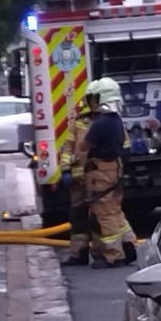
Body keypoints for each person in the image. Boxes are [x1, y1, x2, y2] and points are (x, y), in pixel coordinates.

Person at [80, 78, 134, 269]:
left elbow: (84, 145)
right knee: (114, 210)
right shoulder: (116, 120)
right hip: (114, 169)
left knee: (104, 213)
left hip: (100, 171)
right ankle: (128, 245)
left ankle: (114, 255)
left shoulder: (100, 123)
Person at [58, 88, 97, 267]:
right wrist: (65, 170)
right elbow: (67, 148)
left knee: (101, 216)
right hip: (78, 180)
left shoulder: (107, 122)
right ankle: (78, 254)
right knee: (77, 217)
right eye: (91, 100)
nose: (93, 104)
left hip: (98, 178)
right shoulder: (79, 123)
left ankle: (106, 253)